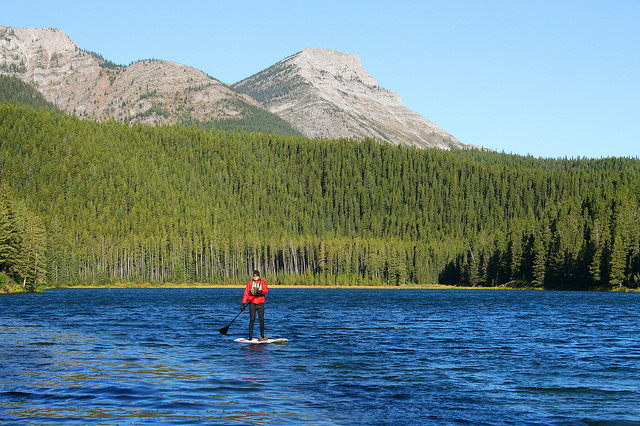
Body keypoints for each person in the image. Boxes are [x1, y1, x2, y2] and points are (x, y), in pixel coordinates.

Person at [241, 269, 269, 341]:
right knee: (252, 320)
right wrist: (243, 304)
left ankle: (262, 336)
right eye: (254, 276)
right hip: (252, 304)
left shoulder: (262, 282)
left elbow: (266, 289)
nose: (255, 277)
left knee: (261, 320)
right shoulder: (250, 283)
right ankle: (250, 337)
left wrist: (261, 291)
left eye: (256, 276)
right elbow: (246, 293)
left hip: (260, 304)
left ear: (259, 276)